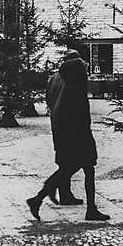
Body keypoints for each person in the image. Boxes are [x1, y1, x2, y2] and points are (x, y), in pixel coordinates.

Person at [27, 50, 109, 222]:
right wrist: (86, 133)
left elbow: (49, 100)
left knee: (67, 168)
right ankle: (91, 210)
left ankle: (38, 198)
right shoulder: (76, 84)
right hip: (78, 132)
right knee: (86, 168)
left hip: (60, 128)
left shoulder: (56, 78)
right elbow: (81, 112)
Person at [45, 49, 83, 206]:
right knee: (75, 161)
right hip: (68, 123)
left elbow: (48, 98)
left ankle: (65, 194)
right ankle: (51, 187)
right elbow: (74, 103)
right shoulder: (71, 79)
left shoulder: (53, 77)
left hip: (56, 121)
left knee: (63, 160)